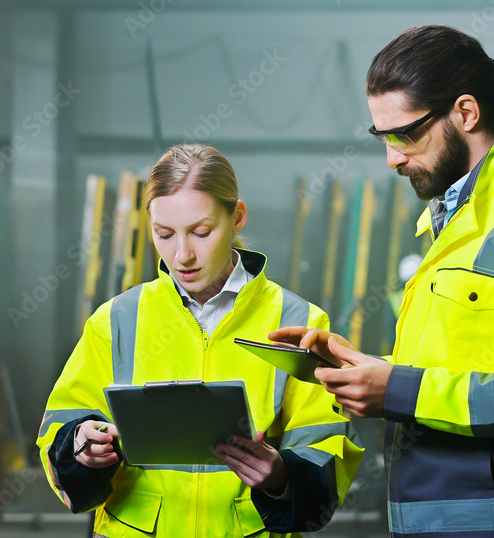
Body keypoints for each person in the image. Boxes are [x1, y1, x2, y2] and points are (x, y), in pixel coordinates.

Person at [272, 25, 494, 537]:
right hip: (438, 518)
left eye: (405, 134)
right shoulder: (454, 223)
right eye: (382, 138)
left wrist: (399, 390)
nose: (392, 158)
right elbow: (460, 366)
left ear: (466, 113)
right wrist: (365, 369)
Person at [37, 144, 363, 537]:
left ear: (237, 217)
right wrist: (80, 445)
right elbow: (59, 426)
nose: (182, 255)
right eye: (164, 234)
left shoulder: (300, 323)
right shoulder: (117, 320)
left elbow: (327, 448)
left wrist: (280, 474)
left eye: (201, 232)